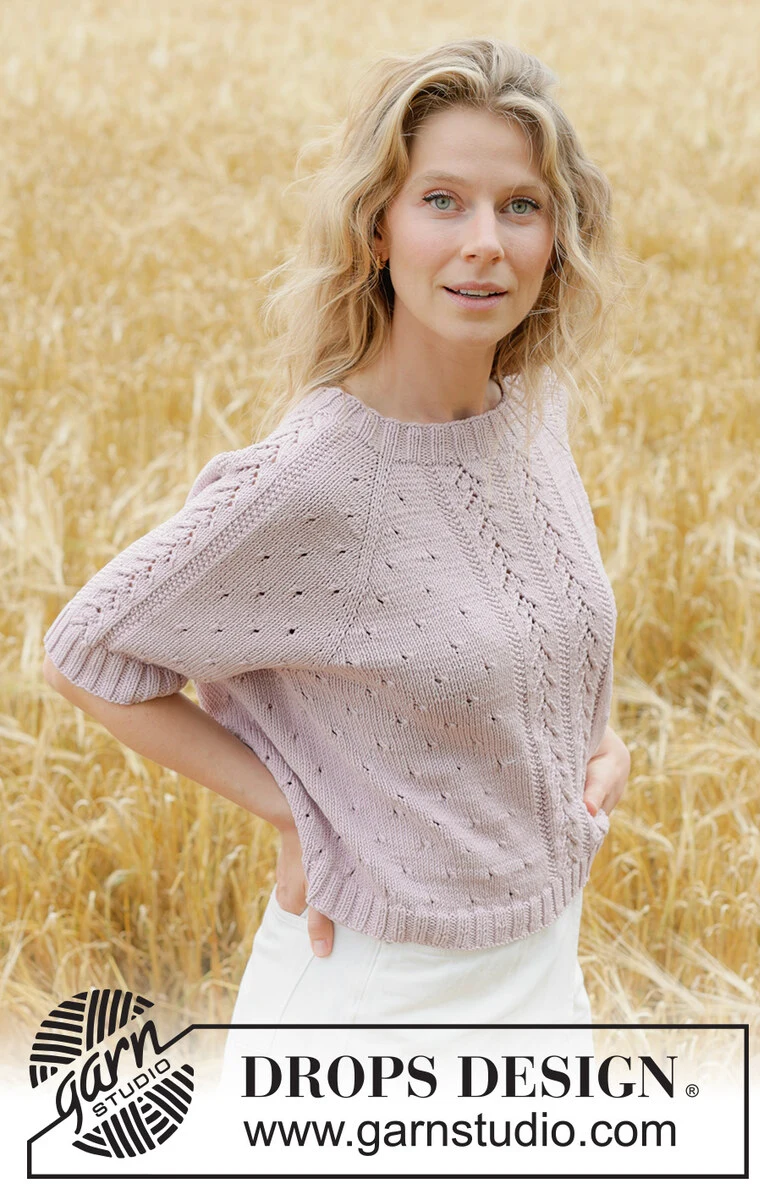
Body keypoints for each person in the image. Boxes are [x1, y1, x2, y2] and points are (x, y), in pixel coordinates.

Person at [42, 37, 631, 1094]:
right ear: (376, 227)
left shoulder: (527, 415)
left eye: (521, 206)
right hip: (379, 1006)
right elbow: (86, 654)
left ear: (557, 236)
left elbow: (539, 623)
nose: (485, 243)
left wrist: (593, 739)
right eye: (442, 201)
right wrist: (292, 808)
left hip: (545, 976)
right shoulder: (317, 478)